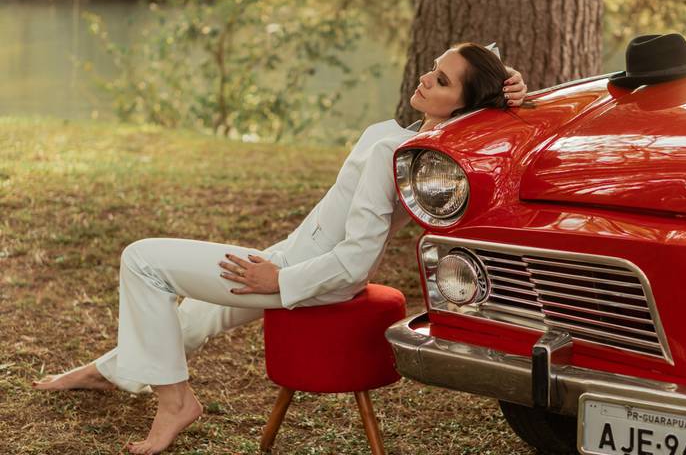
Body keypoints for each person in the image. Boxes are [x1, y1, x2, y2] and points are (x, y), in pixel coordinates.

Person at [33, 42, 527, 454]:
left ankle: (176, 404)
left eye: (440, 81)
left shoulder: (396, 154)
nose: (425, 78)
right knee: (197, 315)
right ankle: (105, 372)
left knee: (142, 259)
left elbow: (357, 261)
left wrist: (280, 280)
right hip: (292, 252)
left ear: (461, 105)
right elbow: (484, 67)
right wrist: (511, 79)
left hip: (307, 271)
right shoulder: (411, 138)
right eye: (432, 68)